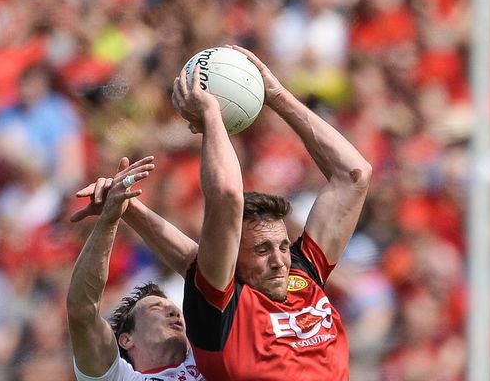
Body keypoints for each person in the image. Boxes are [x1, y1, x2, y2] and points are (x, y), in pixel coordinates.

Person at [73, 45, 371, 380]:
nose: (279, 260)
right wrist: (212, 115)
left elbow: (354, 176)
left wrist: (276, 96)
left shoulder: (301, 273)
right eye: (262, 249)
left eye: (283, 246)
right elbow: (225, 198)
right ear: (233, 259)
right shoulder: (223, 309)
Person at [66, 156, 204, 381]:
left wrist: (127, 206)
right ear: (126, 339)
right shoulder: (120, 378)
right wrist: (109, 219)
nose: (174, 312)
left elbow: (200, 269)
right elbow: (82, 311)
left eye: (174, 309)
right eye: (156, 308)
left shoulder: (210, 360)